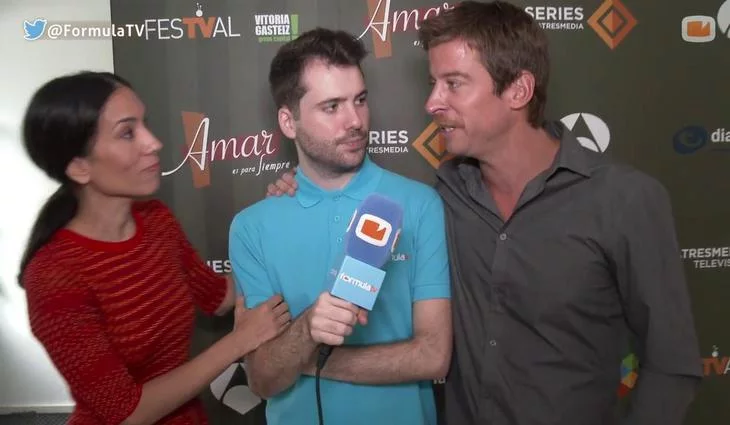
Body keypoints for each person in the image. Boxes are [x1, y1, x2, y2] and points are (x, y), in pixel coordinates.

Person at [265, 2, 704, 425]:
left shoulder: (625, 200)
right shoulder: (444, 196)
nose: (432, 103)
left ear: (518, 90)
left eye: (453, 84)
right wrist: (301, 183)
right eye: (433, 83)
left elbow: (672, 365)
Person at [18, 71, 291, 425]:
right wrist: (240, 342)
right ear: (79, 166)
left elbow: (219, 296)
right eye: (127, 133)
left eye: (144, 125)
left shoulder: (155, 220)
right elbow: (126, 413)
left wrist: (283, 218)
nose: (154, 142)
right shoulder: (53, 276)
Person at [229, 28, 452, 425]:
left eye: (360, 100)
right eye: (331, 107)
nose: (355, 121)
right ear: (289, 121)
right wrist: (307, 329)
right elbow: (262, 380)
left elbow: (433, 356)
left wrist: (309, 359)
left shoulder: (419, 205)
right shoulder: (251, 228)